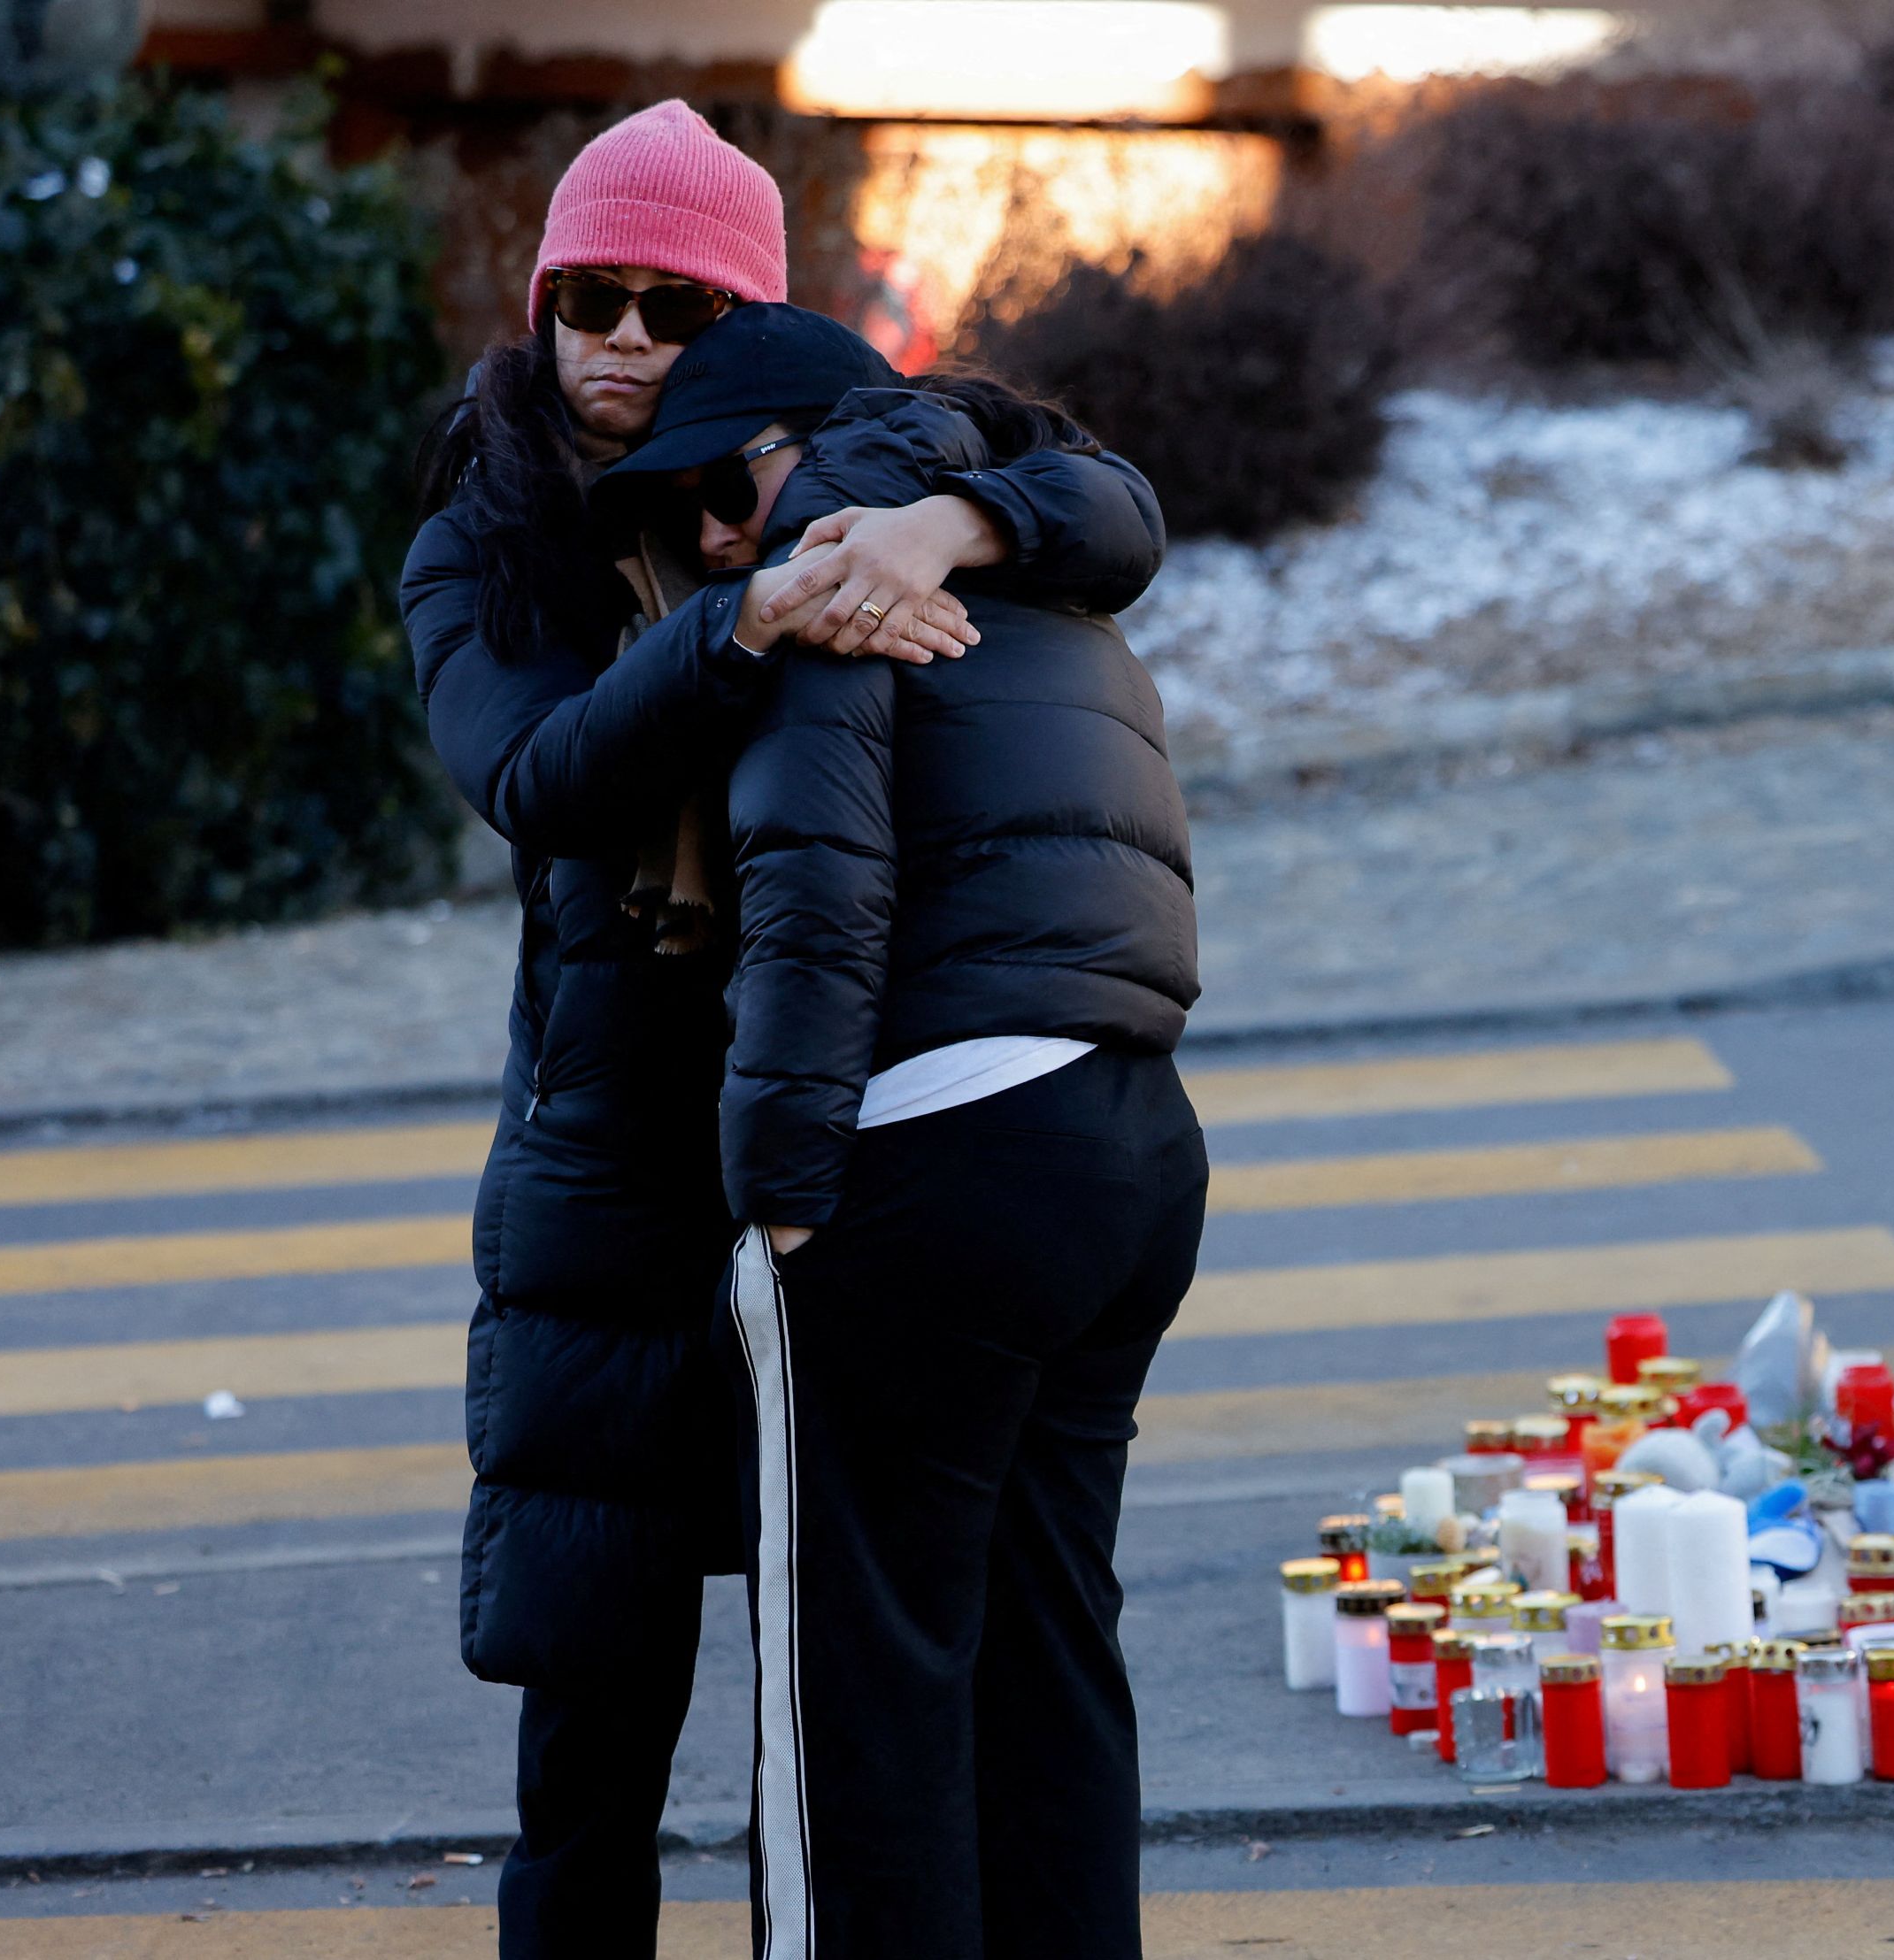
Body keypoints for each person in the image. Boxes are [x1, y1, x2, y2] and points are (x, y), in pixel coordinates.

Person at [401, 102, 1162, 1959]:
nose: (625, 341)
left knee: (847, 1680)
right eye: (590, 296)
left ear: (745, 322)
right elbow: (540, 770)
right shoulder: (487, 536)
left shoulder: (818, 467)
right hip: (616, 1183)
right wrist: (757, 613)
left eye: (677, 305)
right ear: (541, 301)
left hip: (837, 1153)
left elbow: (1112, 508)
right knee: (595, 1732)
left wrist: (935, 518)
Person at [602, 329, 1199, 1957]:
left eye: (729, 484)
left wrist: (782, 1202)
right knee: (1047, 1653)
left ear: (807, 448)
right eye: (681, 510)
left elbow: (812, 888)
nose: (719, 538)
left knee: (850, 1706)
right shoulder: (1033, 546)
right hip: (1129, 1141)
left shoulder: (842, 574)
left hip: (929, 1158)